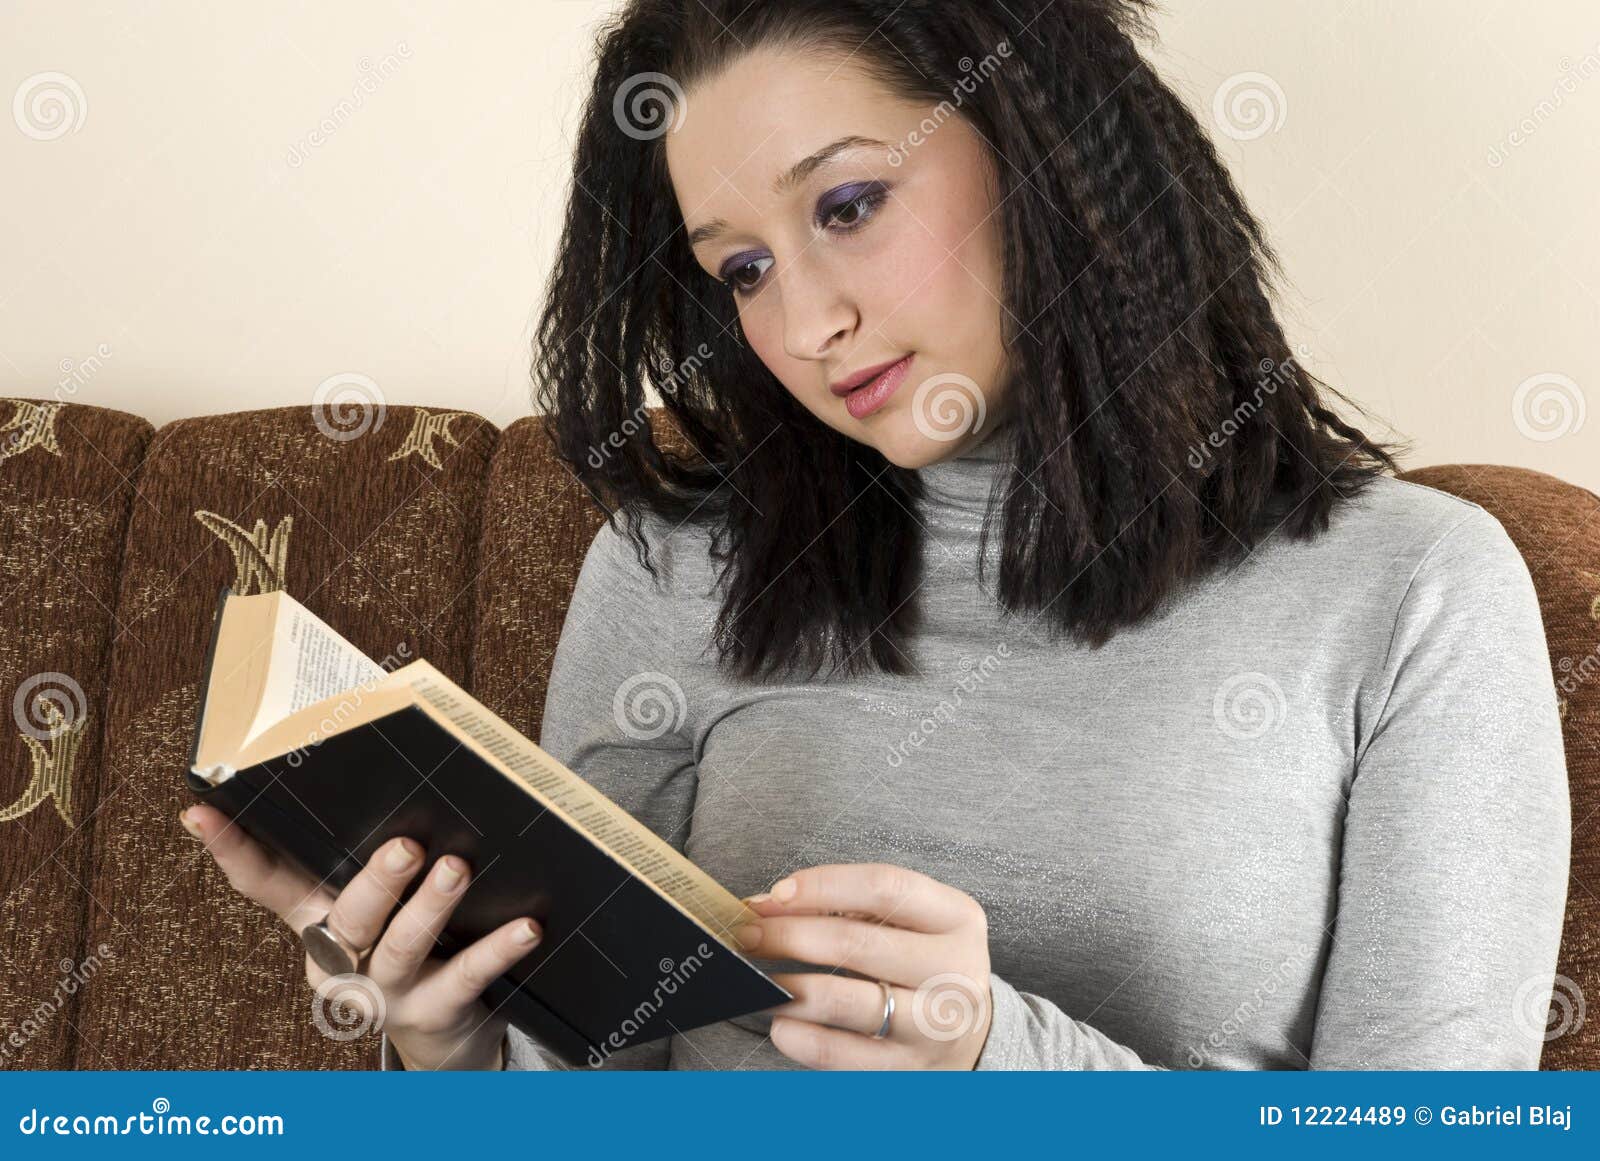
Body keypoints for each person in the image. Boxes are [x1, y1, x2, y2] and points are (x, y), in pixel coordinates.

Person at [183, 0, 1570, 1070]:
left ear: (1047, 151)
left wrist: (992, 1054)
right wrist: (455, 1041)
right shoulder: (676, 568)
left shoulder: (1412, 592)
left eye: (848, 205)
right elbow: (597, 1090)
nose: (798, 326)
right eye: (742, 267)